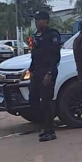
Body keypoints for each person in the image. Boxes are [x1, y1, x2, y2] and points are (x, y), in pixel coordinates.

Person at [29, 11, 62, 142]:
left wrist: (49, 73)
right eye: (36, 20)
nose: (37, 22)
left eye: (39, 20)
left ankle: (50, 131)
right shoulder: (37, 35)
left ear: (46, 21)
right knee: (33, 99)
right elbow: (35, 54)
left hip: (47, 72)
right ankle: (45, 126)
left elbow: (55, 57)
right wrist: (31, 70)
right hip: (37, 72)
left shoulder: (52, 35)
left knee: (47, 101)